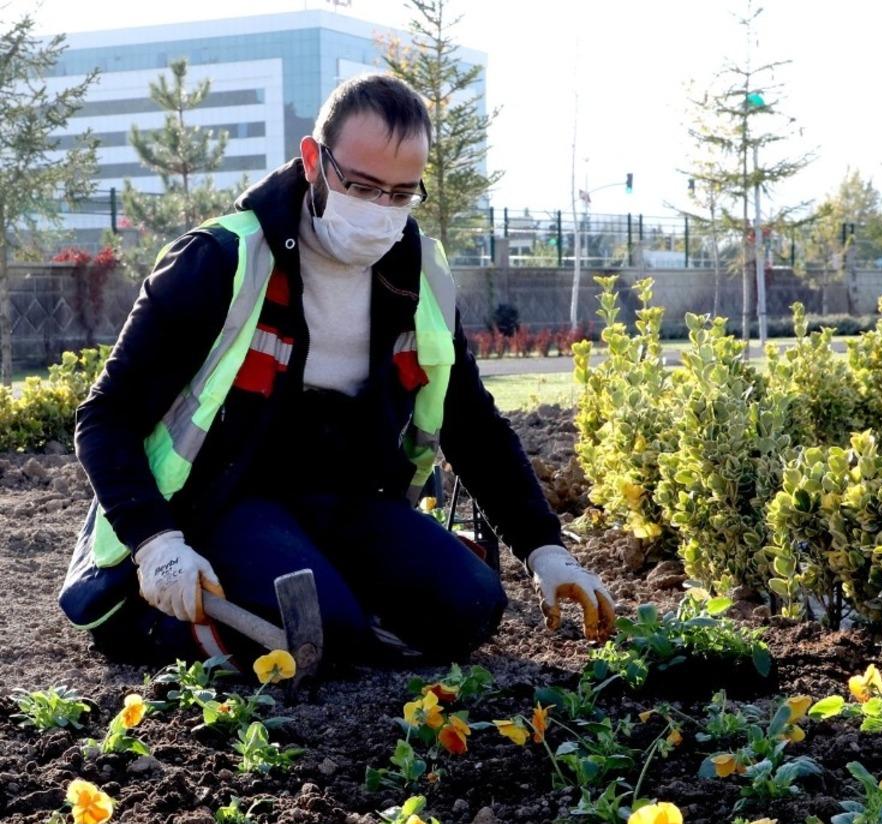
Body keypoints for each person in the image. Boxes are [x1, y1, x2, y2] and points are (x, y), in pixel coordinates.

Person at [60, 73, 615, 668]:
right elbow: (104, 418)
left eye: (401, 194)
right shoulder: (221, 261)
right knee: (322, 628)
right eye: (362, 185)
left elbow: (471, 425)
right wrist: (157, 543)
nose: (380, 212)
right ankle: (149, 622)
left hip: (349, 497)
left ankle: (337, 612)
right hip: (223, 499)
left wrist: (545, 550)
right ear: (313, 161)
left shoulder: (418, 275)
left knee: (471, 609)